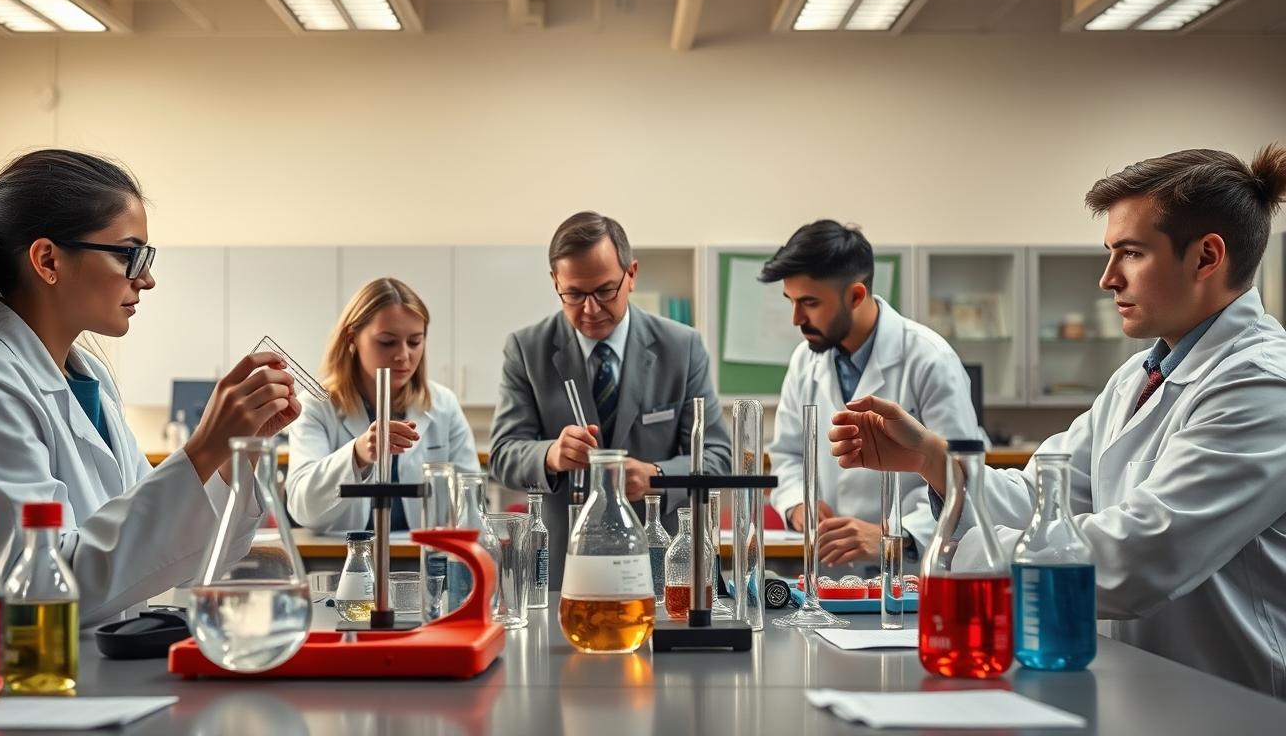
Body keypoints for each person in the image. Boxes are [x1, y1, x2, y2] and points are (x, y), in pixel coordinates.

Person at [829, 145, 1286, 696]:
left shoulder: (1262, 385)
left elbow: (1140, 557)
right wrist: (932, 458)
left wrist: (959, 552)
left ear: (1206, 257)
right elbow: (1043, 498)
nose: (1108, 278)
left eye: (1131, 253)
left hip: (1233, 700)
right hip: (1146, 688)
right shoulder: (1139, 376)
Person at [0, 149, 300, 627]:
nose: (146, 279)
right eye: (129, 255)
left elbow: (180, 551)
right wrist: (202, 448)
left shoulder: (89, 377)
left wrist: (238, 451)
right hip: (36, 669)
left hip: (102, 662)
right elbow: (32, 591)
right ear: (48, 260)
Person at [490, 211, 730, 585]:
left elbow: (718, 458)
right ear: (555, 282)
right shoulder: (526, 349)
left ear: (631, 274)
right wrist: (552, 455)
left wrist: (656, 477)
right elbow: (503, 454)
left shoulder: (681, 348)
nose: (590, 309)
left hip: (658, 568)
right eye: (573, 294)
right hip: (566, 570)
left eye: (605, 291)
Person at [759, 220, 977, 577]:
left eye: (810, 302)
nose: (797, 318)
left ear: (856, 296)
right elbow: (787, 455)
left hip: (911, 575)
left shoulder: (930, 359)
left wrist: (896, 536)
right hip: (829, 575)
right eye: (792, 302)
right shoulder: (805, 360)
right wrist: (799, 504)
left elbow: (962, 474)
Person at [286, 277, 479, 533]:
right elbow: (303, 509)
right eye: (387, 342)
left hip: (422, 554)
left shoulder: (443, 404)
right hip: (342, 554)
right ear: (352, 338)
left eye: (415, 342)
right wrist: (357, 455)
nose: (403, 355)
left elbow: (471, 501)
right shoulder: (316, 406)